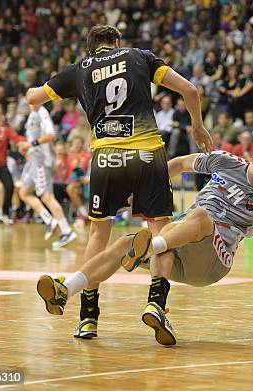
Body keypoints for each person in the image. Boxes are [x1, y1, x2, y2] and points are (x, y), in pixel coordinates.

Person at [36, 140, 253, 345]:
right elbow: (178, 164)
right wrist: (143, 192)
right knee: (123, 244)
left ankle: (148, 248)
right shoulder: (225, 162)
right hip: (183, 243)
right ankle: (67, 290)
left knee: (197, 217)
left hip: (215, 261)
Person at [26, 25, 212, 339]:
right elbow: (191, 91)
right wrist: (197, 127)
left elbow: (33, 98)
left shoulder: (79, 70)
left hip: (106, 159)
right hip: (148, 155)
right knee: (160, 233)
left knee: (98, 235)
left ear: (90, 48)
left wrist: (45, 86)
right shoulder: (139, 57)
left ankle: (88, 317)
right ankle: (156, 304)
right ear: (117, 43)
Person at [18, 104, 77, 249]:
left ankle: (67, 231)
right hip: (34, 161)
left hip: (41, 162)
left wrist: (30, 144)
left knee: (47, 196)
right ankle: (49, 220)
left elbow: (51, 135)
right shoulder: (34, 114)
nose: (28, 100)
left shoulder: (42, 113)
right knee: (24, 192)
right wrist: (28, 149)